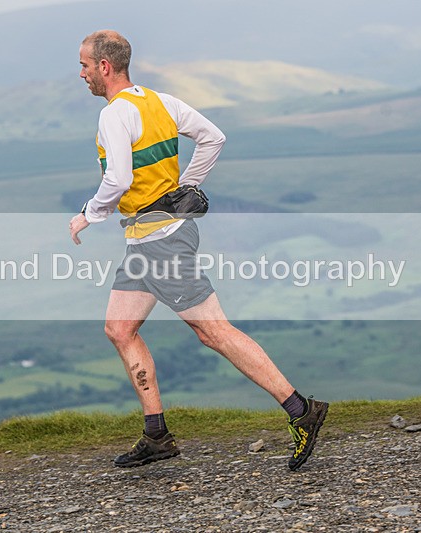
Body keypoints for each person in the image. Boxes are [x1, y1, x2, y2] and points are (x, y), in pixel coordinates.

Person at [68, 30, 328, 471]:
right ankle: (157, 436)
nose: (82, 74)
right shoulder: (162, 102)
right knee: (119, 328)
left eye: (85, 66)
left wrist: (87, 215)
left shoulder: (114, 115)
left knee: (214, 332)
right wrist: (187, 186)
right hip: (147, 241)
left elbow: (118, 180)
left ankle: (303, 411)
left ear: (105, 67)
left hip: (162, 241)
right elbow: (213, 138)